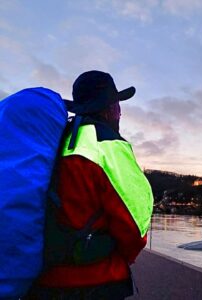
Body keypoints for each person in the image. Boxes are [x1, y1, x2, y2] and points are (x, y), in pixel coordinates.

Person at [24, 70, 154, 300]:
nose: (120, 113)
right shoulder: (107, 144)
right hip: (95, 283)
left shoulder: (55, 139)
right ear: (110, 108)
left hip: (42, 282)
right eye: (118, 105)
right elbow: (134, 226)